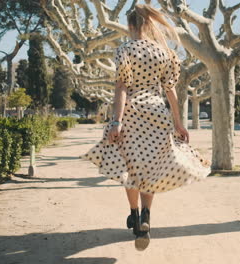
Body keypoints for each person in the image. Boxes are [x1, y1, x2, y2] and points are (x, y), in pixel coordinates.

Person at [81, 4, 211, 251]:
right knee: (150, 168)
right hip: (157, 113)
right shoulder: (163, 53)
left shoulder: (124, 50)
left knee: (129, 168)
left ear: (130, 25)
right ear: (148, 24)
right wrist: (178, 123)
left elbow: (121, 88)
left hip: (131, 114)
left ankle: (134, 214)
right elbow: (170, 90)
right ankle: (147, 216)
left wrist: (116, 122)